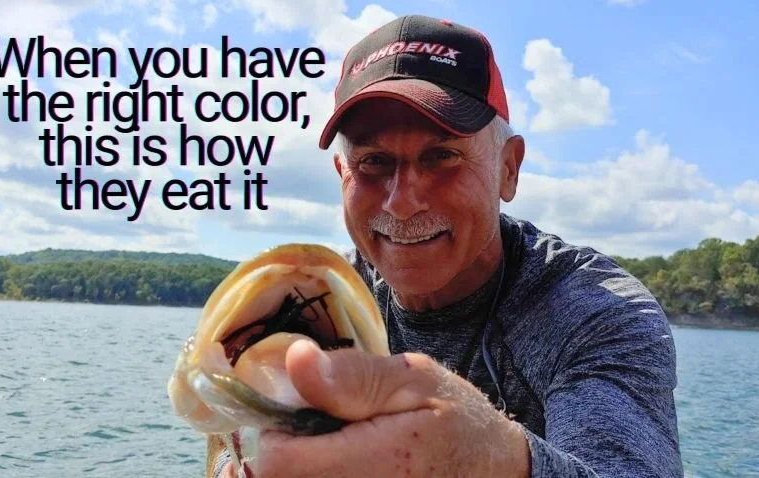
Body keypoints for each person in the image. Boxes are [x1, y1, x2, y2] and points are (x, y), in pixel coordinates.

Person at [213, 14, 683, 477]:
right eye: (373, 161)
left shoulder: (595, 313)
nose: (401, 203)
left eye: (442, 156)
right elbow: (222, 431)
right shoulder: (318, 304)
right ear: (343, 177)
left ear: (509, 169)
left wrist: (495, 459)